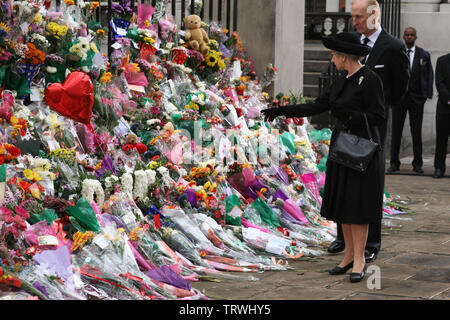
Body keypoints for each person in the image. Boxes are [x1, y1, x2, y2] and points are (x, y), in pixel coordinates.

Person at [261, 32, 385, 283]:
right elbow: (317, 105)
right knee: (345, 207)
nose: (332, 59)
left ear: (344, 56)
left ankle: (360, 259)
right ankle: (349, 255)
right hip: (341, 149)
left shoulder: (370, 79)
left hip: (360, 152)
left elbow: (378, 117)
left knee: (358, 208)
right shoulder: (341, 80)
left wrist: (348, 114)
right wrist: (281, 110)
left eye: (334, 55)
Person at [327, 0, 410, 262]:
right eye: (353, 16)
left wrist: (377, 110)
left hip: (372, 127)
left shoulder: (393, 47)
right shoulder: (350, 41)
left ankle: (371, 242)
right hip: (346, 126)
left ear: (374, 16)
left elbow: (399, 89)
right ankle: (344, 239)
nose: (355, 21)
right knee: (343, 178)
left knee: (369, 185)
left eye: (359, 16)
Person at [388, 27, 434, 174]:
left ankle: (417, 163)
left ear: (416, 37)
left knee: (416, 131)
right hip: (399, 98)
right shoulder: (397, 54)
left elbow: (429, 75)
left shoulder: (423, 55)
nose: (409, 37)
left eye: (412, 35)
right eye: (407, 35)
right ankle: (394, 163)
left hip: (416, 99)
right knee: (396, 131)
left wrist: (426, 95)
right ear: (403, 36)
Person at [432, 52, 450, 178]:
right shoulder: (442, 60)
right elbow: (439, 82)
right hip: (445, 108)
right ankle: (439, 168)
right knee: (441, 140)